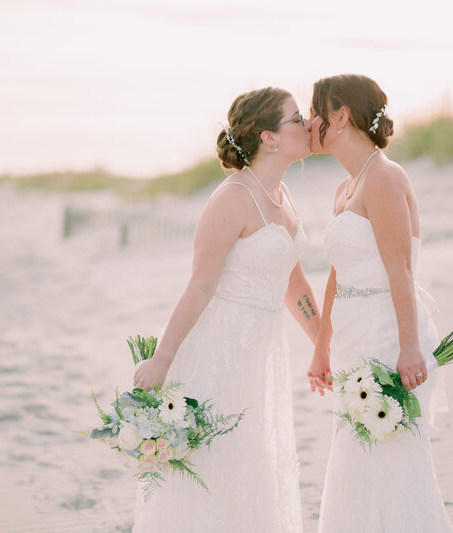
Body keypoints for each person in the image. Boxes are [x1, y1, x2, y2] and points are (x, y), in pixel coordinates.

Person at [132, 87, 317, 533]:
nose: (308, 123)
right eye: (297, 118)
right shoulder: (233, 197)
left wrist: (326, 344)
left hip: (260, 354)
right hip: (218, 352)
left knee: (252, 467)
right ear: (270, 138)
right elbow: (198, 286)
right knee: (218, 468)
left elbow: (293, 284)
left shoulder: (283, 195)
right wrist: (162, 358)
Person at [306, 74, 453, 532]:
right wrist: (321, 344)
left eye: (316, 112)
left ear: (341, 115)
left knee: (391, 462)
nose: (310, 122)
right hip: (354, 339)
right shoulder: (345, 187)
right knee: (356, 465)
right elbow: (337, 272)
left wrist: (409, 347)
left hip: (390, 338)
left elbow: (401, 270)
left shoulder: (386, 177)